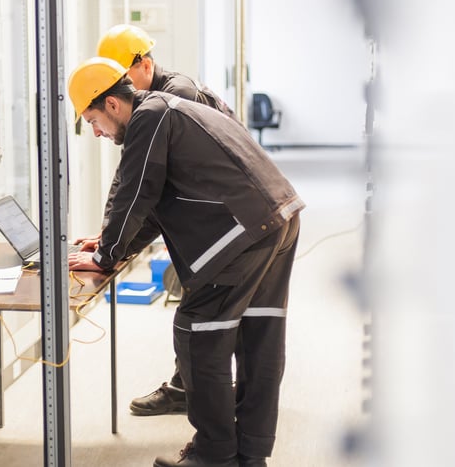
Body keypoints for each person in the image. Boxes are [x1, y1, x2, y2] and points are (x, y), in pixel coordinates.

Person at [67, 57, 304, 467]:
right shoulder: (170, 110)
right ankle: (251, 453)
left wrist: (107, 255)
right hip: (279, 216)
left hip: (242, 232)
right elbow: (155, 206)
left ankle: (214, 455)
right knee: (258, 339)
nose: (96, 132)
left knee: (198, 334)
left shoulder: (149, 117)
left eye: (92, 121)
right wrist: (109, 244)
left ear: (111, 104)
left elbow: (135, 192)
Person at [75, 24, 237, 418]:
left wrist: (113, 248)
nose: (116, 85)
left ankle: (202, 402)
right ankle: (194, 391)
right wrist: (112, 237)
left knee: (200, 316)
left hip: (221, 220)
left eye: (120, 77)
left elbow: (144, 185)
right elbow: (133, 178)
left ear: (144, 65)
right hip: (217, 216)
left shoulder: (170, 99)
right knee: (202, 314)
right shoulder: (156, 99)